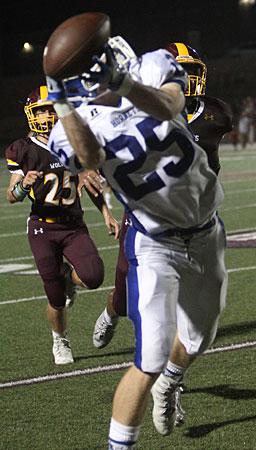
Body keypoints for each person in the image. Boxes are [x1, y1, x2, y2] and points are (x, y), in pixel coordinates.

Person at [46, 34, 227, 449]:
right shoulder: (71, 122)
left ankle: (172, 382)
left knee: (199, 337)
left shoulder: (153, 66)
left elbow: (168, 106)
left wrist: (124, 85)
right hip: (155, 244)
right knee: (148, 359)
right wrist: (62, 105)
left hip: (206, 232)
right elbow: (88, 158)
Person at [5, 85, 119, 366]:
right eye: (40, 110)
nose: (46, 115)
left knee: (93, 276)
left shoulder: (73, 141)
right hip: (42, 228)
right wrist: (23, 185)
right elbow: (11, 196)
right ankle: (60, 339)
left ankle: (70, 278)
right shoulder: (22, 149)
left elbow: (90, 183)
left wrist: (106, 213)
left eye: (50, 109)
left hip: (72, 225)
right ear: (31, 115)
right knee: (55, 297)